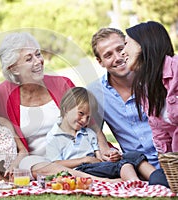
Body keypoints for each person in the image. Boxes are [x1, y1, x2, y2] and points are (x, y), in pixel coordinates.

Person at [0, 32, 115, 182]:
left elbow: (89, 120)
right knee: (32, 165)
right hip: (38, 161)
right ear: (14, 69)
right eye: (29, 58)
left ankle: (88, 174)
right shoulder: (2, 93)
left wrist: (103, 146)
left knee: (119, 161)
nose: (38, 61)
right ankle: (99, 181)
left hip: (76, 154)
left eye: (38, 54)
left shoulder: (62, 84)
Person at [46, 87, 156, 181]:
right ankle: (136, 183)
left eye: (88, 117)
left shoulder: (88, 133)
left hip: (97, 166)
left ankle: (156, 178)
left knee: (133, 155)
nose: (84, 120)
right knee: (123, 165)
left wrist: (110, 158)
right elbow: (55, 164)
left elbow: (99, 158)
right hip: (80, 171)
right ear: (66, 109)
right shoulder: (54, 137)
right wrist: (84, 160)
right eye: (81, 113)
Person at [87, 28, 160, 168]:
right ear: (100, 62)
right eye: (108, 55)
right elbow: (92, 130)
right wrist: (103, 147)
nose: (118, 57)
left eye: (120, 49)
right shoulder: (94, 92)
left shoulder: (155, 77)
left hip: (172, 160)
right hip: (139, 167)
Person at [122, 21, 177, 153]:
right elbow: (160, 135)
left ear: (142, 44)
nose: (122, 52)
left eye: (126, 44)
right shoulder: (145, 87)